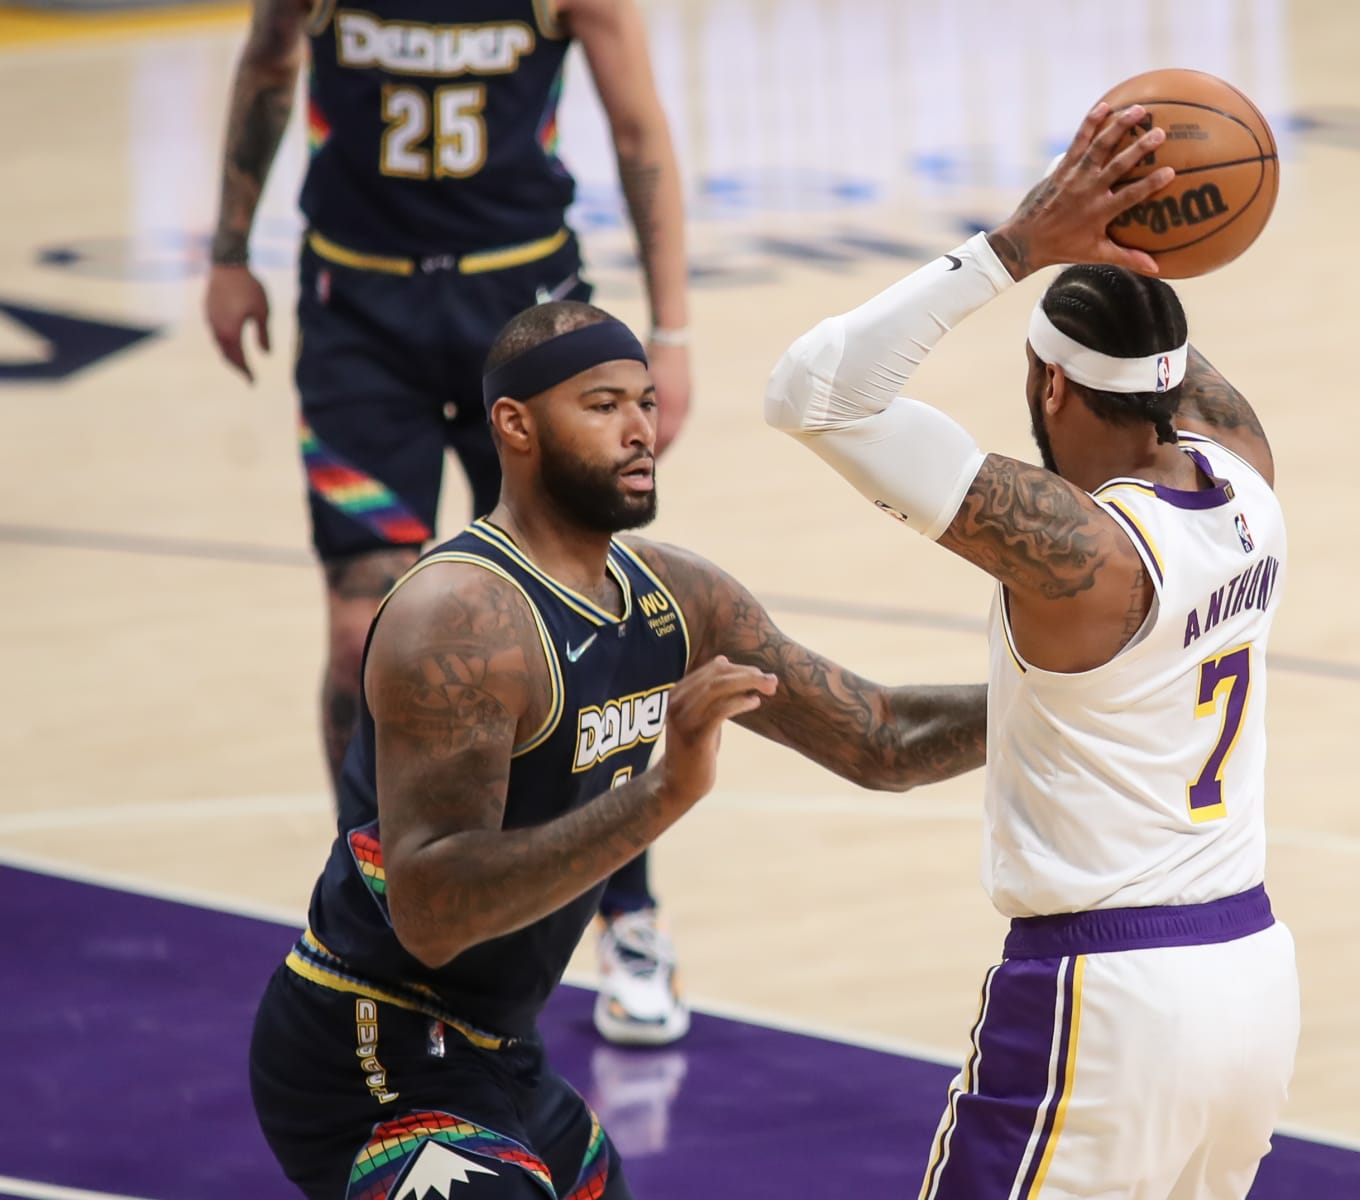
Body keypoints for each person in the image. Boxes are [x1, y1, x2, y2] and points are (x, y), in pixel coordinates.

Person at [249, 300, 986, 1200]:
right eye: (603, 406)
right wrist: (664, 793)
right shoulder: (460, 619)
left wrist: (1076, 698)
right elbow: (433, 916)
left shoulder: (678, 597)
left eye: (643, 401)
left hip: (500, 1051)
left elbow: (879, 738)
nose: (640, 429)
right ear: (515, 426)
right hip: (370, 1050)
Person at [765, 103, 1298, 1200]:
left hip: (1105, 997)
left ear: (1048, 384)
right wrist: (1137, 248)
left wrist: (1016, 247)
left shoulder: (1086, 555)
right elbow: (1164, 368)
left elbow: (812, 391)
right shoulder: (1249, 479)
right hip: (1253, 980)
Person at [203, 0, 695, 1042]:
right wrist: (229, 248)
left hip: (525, 318)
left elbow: (640, 132)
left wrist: (673, 332)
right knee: (358, 634)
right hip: (357, 313)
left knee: (584, 624)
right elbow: (264, 69)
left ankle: (629, 914)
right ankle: (380, 912)